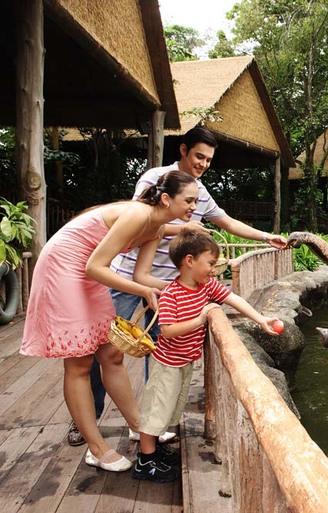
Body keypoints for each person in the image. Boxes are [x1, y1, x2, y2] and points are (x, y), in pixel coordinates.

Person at [68, 126, 289, 446]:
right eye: (199, 156)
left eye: (209, 160)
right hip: (128, 277)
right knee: (103, 350)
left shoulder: (200, 192)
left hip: (167, 285)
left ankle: (151, 424)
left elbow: (227, 222)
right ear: (183, 151)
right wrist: (183, 227)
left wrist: (268, 237)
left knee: (160, 355)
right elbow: (140, 221)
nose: (204, 164)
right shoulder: (156, 179)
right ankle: (86, 417)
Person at [20, 170, 199, 471]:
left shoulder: (156, 227)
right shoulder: (137, 214)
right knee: (79, 362)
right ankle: (96, 448)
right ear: (167, 199)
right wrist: (144, 290)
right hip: (64, 266)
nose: (194, 208)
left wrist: (181, 289)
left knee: (111, 353)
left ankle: (138, 425)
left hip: (89, 270)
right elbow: (95, 266)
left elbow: (141, 275)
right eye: (189, 201)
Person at [131, 228, 281, 482]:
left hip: (184, 362)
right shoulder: (171, 294)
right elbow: (167, 331)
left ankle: (153, 451)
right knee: (156, 409)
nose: (214, 270)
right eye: (210, 263)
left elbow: (233, 298)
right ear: (189, 261)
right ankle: (145, 461)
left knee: (170, 409)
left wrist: (261, 319)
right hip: (167, 364)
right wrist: (201, 318)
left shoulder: (206, 285)